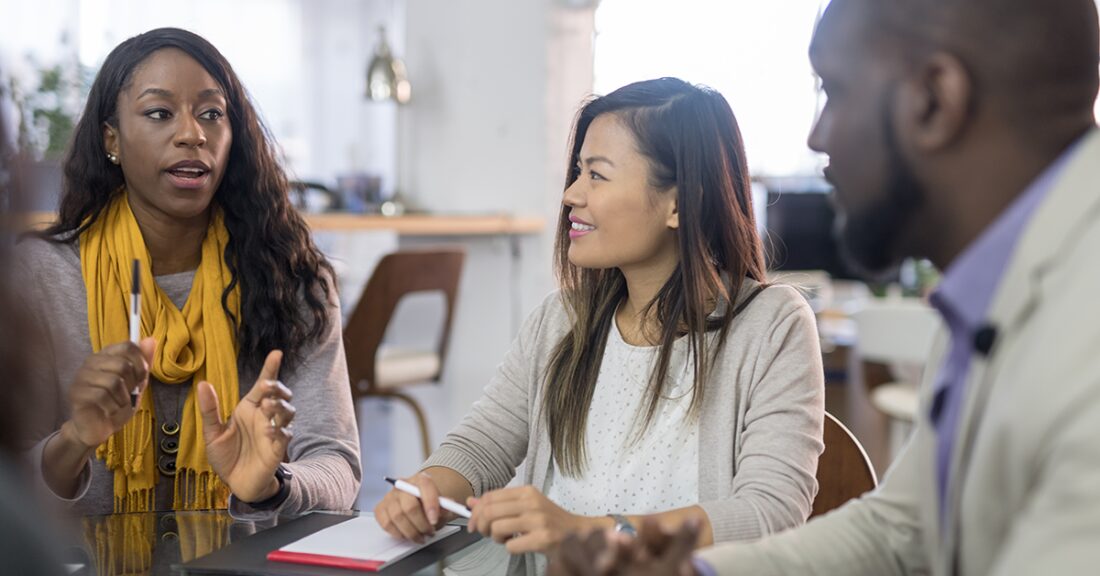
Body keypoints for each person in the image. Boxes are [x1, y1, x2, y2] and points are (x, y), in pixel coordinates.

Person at [548, 0, 1100, 575]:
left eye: (834, 91)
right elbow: (901, 533)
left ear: (935, 99)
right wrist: (692, 572)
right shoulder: (995, 294)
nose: (817, 138)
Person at [375, 77, 826, 571]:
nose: (571, 194)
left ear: (679, 202)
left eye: (597, 176)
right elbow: (480, 444)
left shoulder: (772, 326)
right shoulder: (560, 320)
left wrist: (587, 532)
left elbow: (769, 514)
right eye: (577, 172)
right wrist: (428, 489)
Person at [13, 27, 361, 516]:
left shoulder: (292, 277)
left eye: (211, 114)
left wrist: (271, 484)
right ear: (111, 138)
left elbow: (336, 464)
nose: (192, 134)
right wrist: (74, 439)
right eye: (159, 113)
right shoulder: (41, 278)